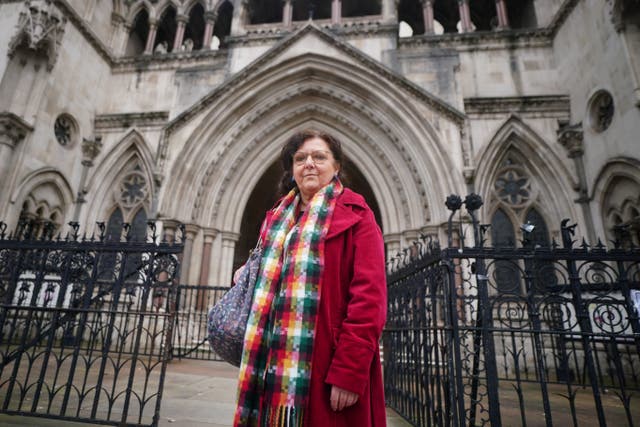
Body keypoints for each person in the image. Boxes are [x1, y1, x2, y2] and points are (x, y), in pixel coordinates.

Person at [234, 129, 387, 426]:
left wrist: (349, 371)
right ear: (292, 169)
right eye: (300, 158)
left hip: (327, 366)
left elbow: (370, 299)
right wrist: (248, 273)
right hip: (270, 363)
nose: (309, 164)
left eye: (319, 157)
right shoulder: (276, 219)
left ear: (337, 166)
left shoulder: (358, 215)